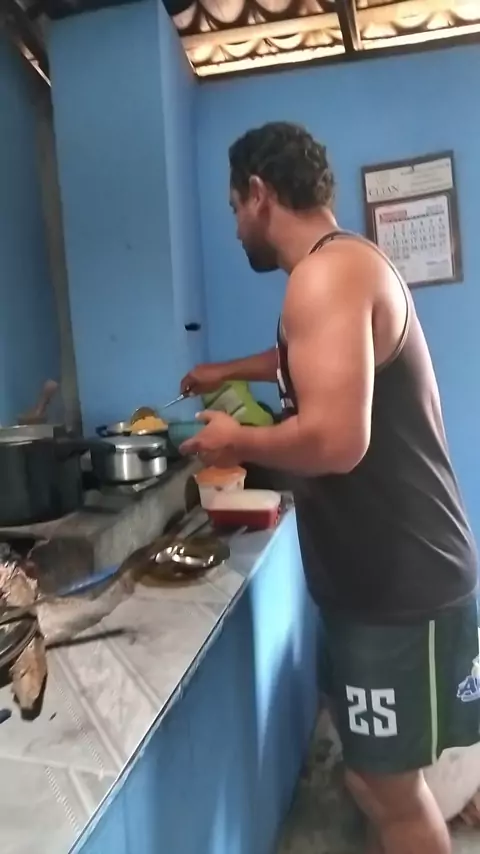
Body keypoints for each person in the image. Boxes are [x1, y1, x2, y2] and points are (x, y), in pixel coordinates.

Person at [179, 122, 479, 854]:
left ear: (259, 192)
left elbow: (339, 441)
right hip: (378, 580)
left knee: (389, 789)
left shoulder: (326, 275)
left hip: (402, 583)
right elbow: (308, 355)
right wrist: (227, 370)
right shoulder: (337, 268)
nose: (236, 227)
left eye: (234, 207)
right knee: (373, 780)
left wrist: (235, 440)